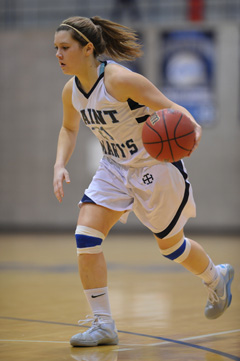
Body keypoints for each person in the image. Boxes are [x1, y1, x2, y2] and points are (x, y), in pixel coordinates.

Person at [53, 16, 234, 347]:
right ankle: (103, 323)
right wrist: (59, 164)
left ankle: (216, 276)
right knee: (86, 237)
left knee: (171, 247)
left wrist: (191, 128)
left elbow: (172, 107)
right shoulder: (72, 91)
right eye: (56, 48)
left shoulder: (121, 80)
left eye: (65, 48)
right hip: (113, 167)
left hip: (155, 166)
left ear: (88, 48)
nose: (58, 54)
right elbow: (68, 128)